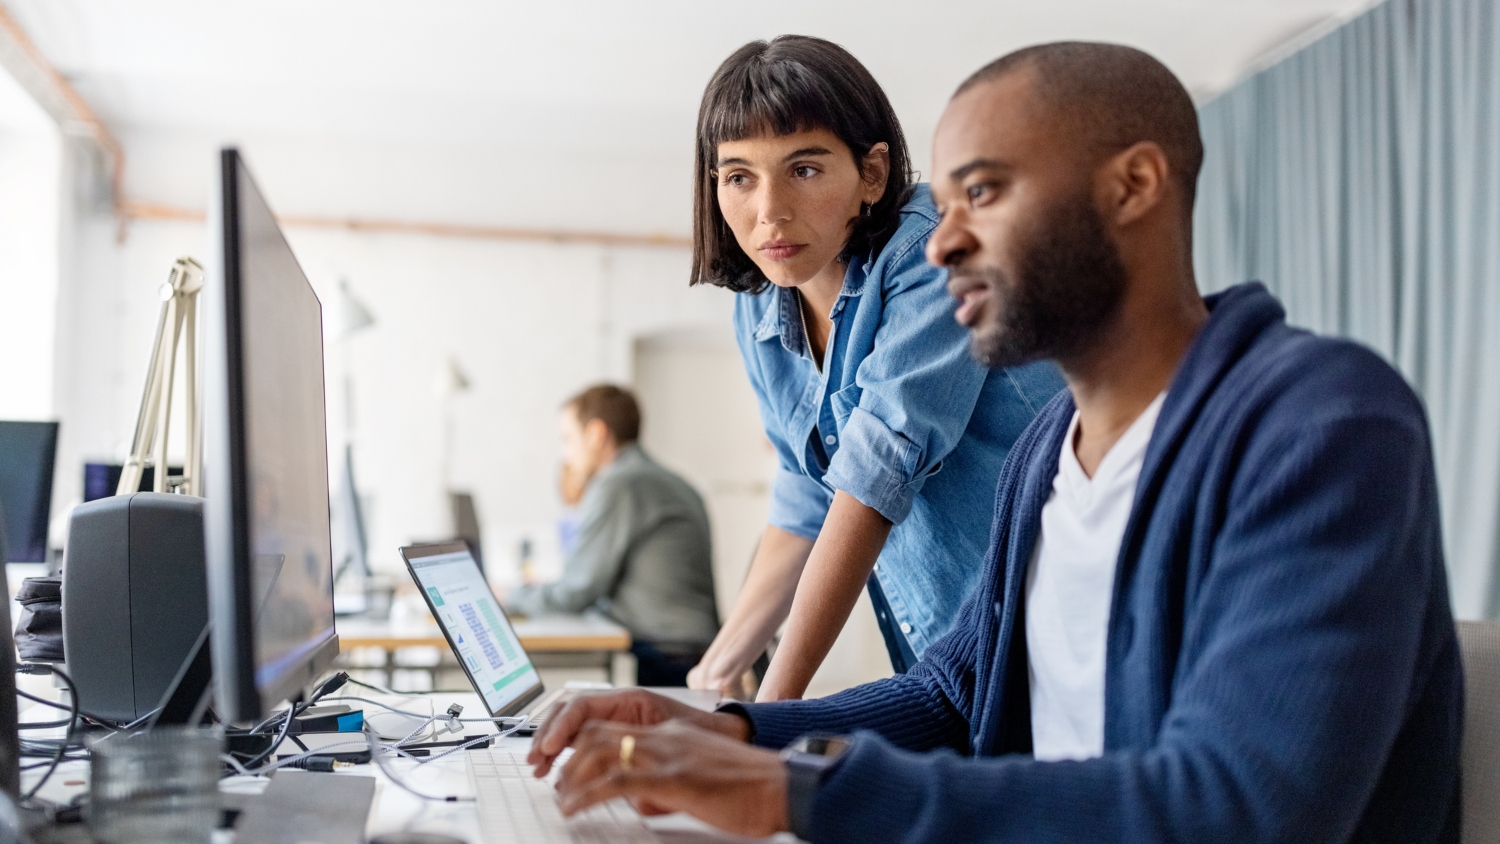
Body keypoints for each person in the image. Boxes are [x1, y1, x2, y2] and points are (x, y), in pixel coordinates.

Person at [525, 42, 1463, 843]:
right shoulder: (1047, 450)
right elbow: (947, 698)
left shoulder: (1321, 425)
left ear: (1133, 186)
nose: (940, 245)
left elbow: (1241, 808)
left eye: (983, 191)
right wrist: (729, 729)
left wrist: (795, 788)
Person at [686, 35, 1063, 700]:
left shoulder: (935, 253)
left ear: (873, 174)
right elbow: (808, 496)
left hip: (1056, 632)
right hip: (950, 658)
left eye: (803, 169)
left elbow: (874, 474)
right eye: (739, 176)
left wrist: (768, 714)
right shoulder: (759, 304)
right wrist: (716, 676)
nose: (768, 210)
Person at [504, 385, 719, 687]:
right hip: (691, 651)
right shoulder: (667, 479)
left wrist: (511, 595)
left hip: (666, 657)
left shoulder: (619, 484)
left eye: (568, 439)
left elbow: (576, 592)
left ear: (596, 434)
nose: (566, 454)